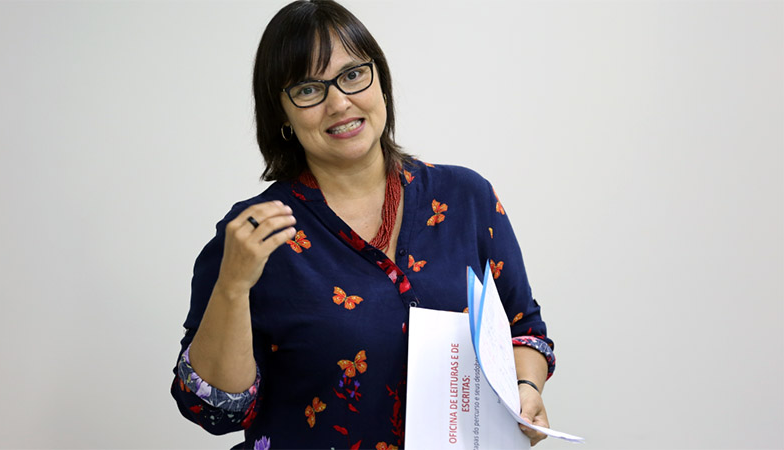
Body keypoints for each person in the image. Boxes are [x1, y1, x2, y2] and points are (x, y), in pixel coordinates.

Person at [171, 1, 556, 448]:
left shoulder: (466, 197)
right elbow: (216, 411)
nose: (339, 102)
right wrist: (232, 288)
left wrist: (526, 391)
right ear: (282, 115)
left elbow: (523, 328)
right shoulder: (254, 235)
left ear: (381, 81)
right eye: (309, 89)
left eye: (353, 75)